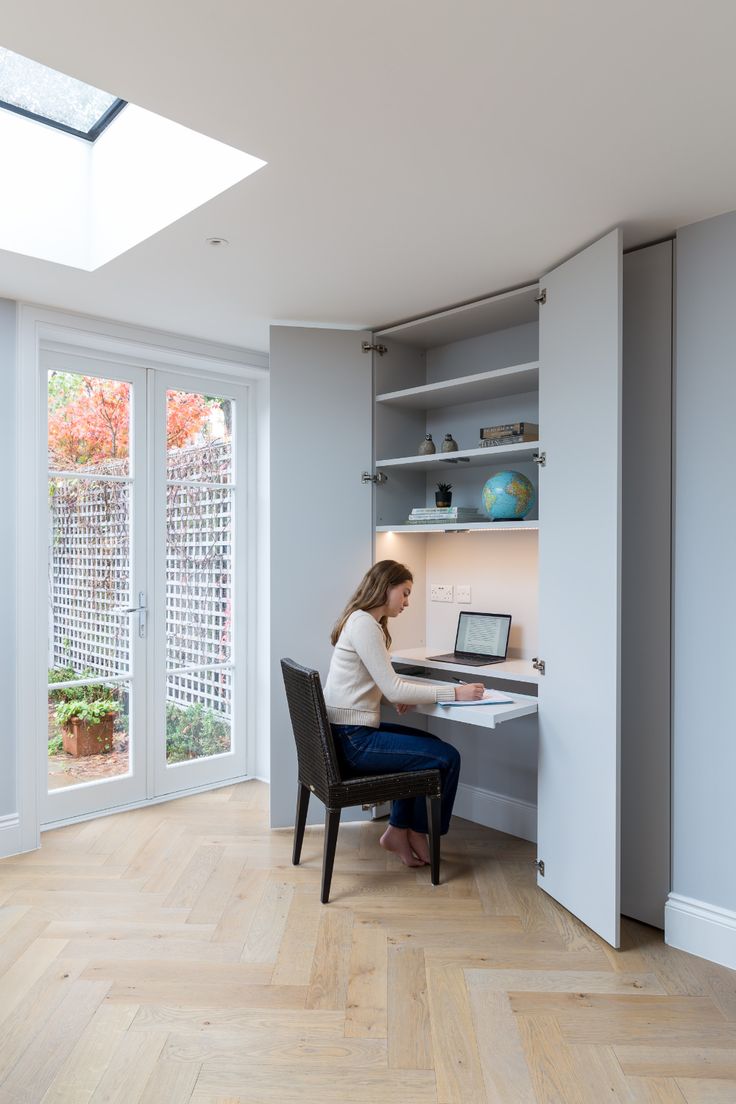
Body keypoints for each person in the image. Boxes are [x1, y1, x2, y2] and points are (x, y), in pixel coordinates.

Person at [324, 559, 484, 868]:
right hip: (354, 742)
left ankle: (399, 830)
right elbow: (396, 687)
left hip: (349, 733)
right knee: (446, 757)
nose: (407, 602)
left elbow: (365, 682)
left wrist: (387, 696)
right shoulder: (364, 625)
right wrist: (456, 693)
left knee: (430, 747)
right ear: (386, 588)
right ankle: (419, 832)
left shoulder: (362, 622)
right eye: (405, 593)